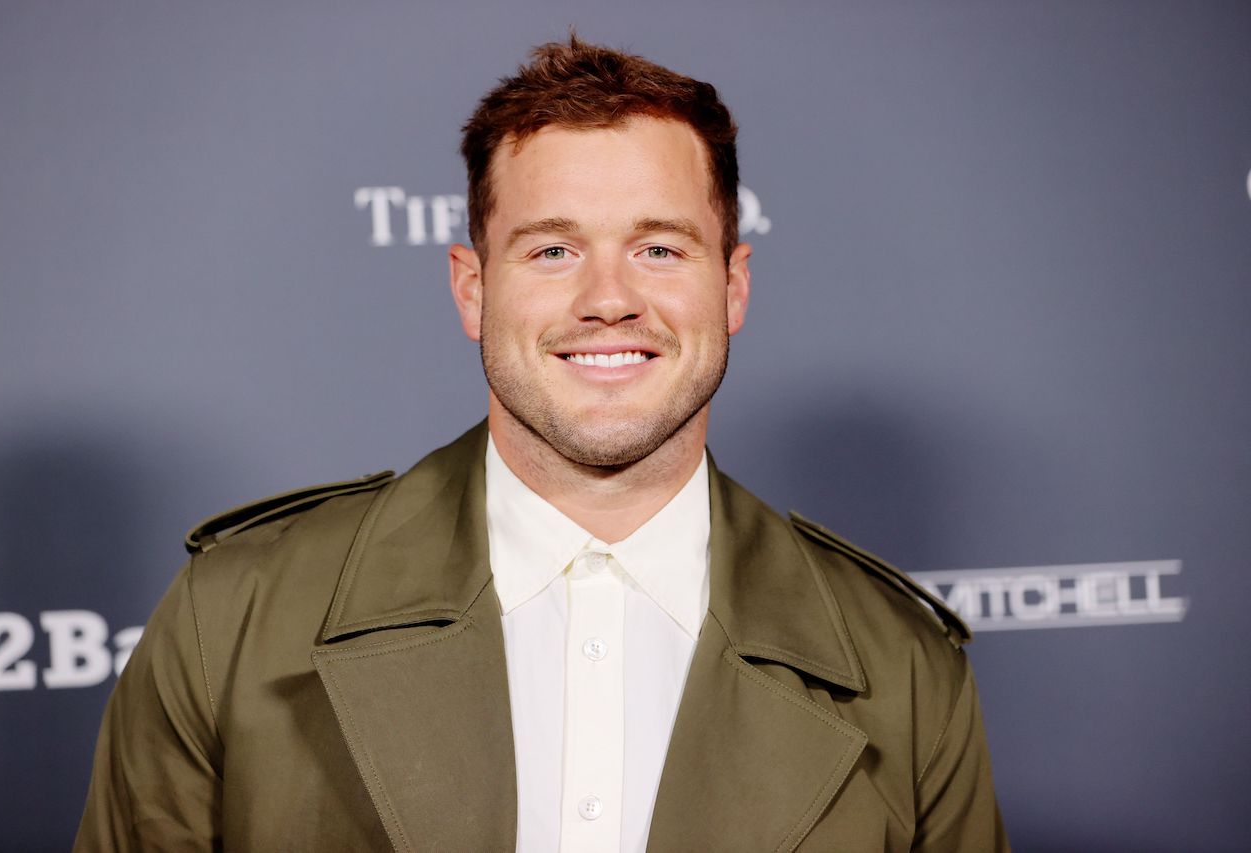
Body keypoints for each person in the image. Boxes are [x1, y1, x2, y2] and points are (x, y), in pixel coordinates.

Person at [75, 36, 1007, 852]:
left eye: (660, 248)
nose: (608, 297)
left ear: (733, 286)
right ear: (473, 290)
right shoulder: (230, 619)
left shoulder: (904, 669)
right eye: (553, 250)